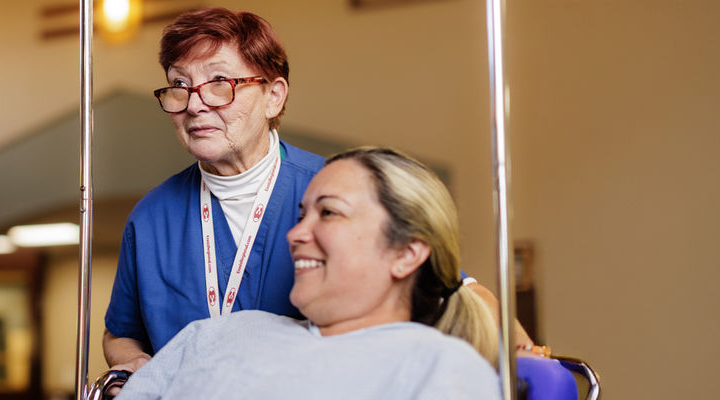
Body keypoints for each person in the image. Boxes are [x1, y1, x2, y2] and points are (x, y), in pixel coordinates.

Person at [103, 7, 534, 377]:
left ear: (273, 96)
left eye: (220, 83)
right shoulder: (151, 217)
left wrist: (528, 359)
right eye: (179, 86)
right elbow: (121, 332)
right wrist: (137, 367)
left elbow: (461, 295)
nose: (195, 105)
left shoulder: (336, 190)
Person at [114, 147, 500, 399]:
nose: (295, 234)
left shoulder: (438, 368)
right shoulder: (217, 335)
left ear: (406, 253)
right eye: (301, 215)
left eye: (328, 213)